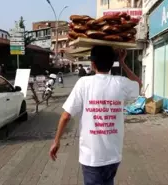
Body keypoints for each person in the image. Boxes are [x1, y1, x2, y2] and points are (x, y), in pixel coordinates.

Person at [49, 46, 142, 185]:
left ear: (92, 64)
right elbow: (138, 84)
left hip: (92, 157)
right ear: (112, 63)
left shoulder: (84, 83)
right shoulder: (120, 83)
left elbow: (66, 116)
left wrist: (56, 141)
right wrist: (123, 63)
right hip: (113, 155)